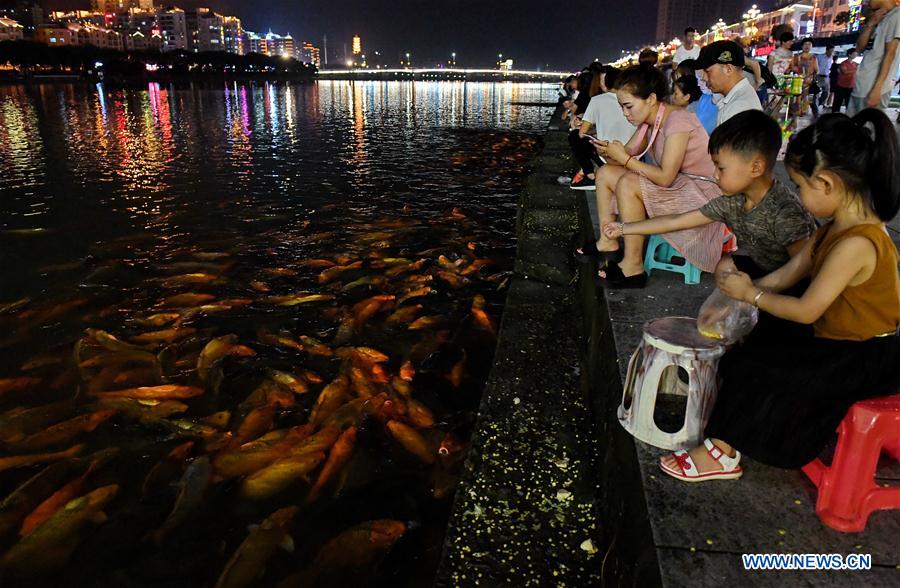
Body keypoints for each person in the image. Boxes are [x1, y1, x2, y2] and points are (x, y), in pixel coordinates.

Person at [659, 109, 900, 481]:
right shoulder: (832, 230)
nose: (799, 197)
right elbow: (788, 275)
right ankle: (724, 436)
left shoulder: (860, 242)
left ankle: (723, 452)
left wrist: (752, 295)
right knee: (750, 346)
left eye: (801, 186)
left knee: (766, 370)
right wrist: (735, 290)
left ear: (827, 184)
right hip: (835, 337)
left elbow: (806, 310)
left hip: (863, 354)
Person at [601, 110, 816, 280]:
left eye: (720, 168)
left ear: (756, 167)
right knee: (724, 267)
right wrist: (624, 228)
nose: (714, 174)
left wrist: (758, 292)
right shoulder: (731, 201)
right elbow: (679, 221)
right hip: (763, 268)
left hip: (792, 280)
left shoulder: (785, 213)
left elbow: (804, 268)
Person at [582, 65, 725, 288]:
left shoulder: (678, 121)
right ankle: (607, 240)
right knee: (606, 173)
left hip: (700, 194)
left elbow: (665, 177)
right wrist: (607, 151)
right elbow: (619, 160)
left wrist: (625, 159)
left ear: (650, 99)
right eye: (622, 107)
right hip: (680, 186)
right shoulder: (648, 123)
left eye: (629, 106)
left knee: (629, 182)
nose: (625, 114)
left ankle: (633, 266)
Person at [570, 67, 637, 190]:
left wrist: (576, 126)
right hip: (633, 155)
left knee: (575, 136)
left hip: (608, 155)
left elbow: (582, 133)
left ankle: (590, 175)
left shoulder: (597, 100)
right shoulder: (634, 100)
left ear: (606, 84)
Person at [849, 0, 900, 114]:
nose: (866, 1)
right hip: (862, 86)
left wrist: (877, 90)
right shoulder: (880, 17)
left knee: (868, 130)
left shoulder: (897, 16)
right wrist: (870, 24)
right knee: (853, 129)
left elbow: (890, 55)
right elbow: (860, 48)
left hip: (874, 89)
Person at [695, 40, 762, 126]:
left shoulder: (737, 108)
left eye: (708, 72)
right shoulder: (738, 98)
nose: (704, 78)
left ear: (728, 69)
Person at [791, 38, 819, 117]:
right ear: (802, 46)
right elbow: (792, 67)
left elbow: (817, 70)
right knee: (797, 99)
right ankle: (795, 114)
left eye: (809, 44)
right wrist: (796, 69)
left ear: (812, 46)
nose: (807, 46)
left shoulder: (814, 58)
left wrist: (811, 76)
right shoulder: (796, 57)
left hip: (808, 83)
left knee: (806, 100)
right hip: (797, 82)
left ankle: (804, 112)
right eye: (805, 44)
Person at [832, 48, 859, 113]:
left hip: (851, 86)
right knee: (837, 102)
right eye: (854, 53)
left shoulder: (855, 64)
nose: (856, 54)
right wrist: (856, 70)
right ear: (849, 54)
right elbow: (845, 71)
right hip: (841, 86)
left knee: (849, 103)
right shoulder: (844, 63)